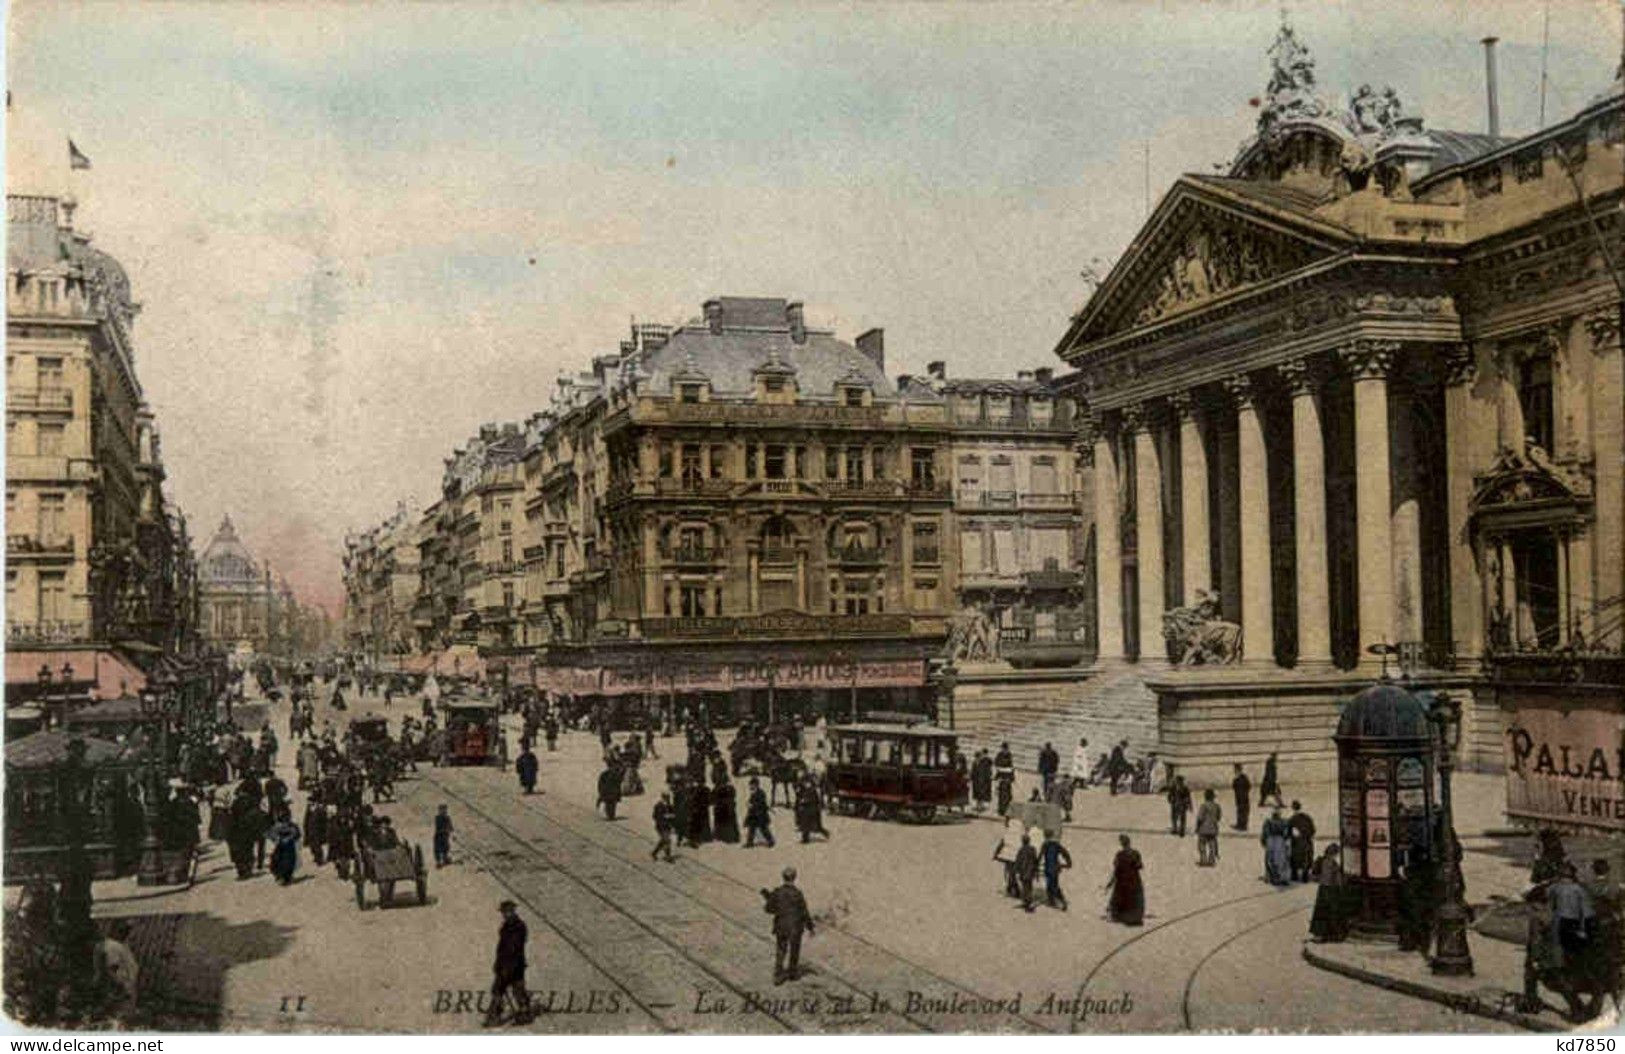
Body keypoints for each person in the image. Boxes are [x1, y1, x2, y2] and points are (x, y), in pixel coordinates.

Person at [762, 867, 815, 984]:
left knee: (781, 950)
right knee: (795, 950)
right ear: (794, 878)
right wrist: (810, 927)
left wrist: (769, 900)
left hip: (781, 926)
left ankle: (778, 975)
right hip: (795, 928)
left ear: (783, 877)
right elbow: (804, 912)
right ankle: (792, 973)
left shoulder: (778, 892)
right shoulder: (797, 894)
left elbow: (768, 909)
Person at [485, 900, 532, 1027]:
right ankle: (494, 1016)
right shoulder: (506, 926)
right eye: (504, 912)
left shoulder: (519, 927)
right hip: (504, 965)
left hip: (515, 966)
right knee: (497, 991)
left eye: (507, 912)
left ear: (512, 912)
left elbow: (515, 948)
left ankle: (524, 1014)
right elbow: (501, 948)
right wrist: (498, 963)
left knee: (518, 991)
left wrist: (508, 967)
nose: (505, 915)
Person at [94, 919, 140, 1023]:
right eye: (124, 929)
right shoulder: (112, 946)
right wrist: (122, 986)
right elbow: (112, 968)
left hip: (124, 988)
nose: (127, 933)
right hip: (120, 989)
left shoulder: (118, 945)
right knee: (119, 1019)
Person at [1308, 845, 1353, 942]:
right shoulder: (1333, 864)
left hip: (1323, 889)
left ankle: (1320, 934)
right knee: (1332, 912)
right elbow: (1337, 880)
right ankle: (1332, 934)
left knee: (1321, 912)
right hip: (1331, 890)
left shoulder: (1323, 861)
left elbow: (1314, 875)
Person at [1105, 833, 1144, 925]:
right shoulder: (1135, 853)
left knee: (1120, 898)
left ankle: (1120, 916)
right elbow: (1140, 865)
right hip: (1134, 880)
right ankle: (1133, 916)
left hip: (1123, 881)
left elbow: (1116, 869)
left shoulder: (1120, 855)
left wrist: (1111, 882)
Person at [268, 809, 301, 885]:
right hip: (280, 847)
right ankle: (280, 876)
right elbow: (271, 834)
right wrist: (277, 838)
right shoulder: (277, 826)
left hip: (289, 847)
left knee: (289, 862)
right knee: (277, 861)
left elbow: (296, 834)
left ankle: (286, 877)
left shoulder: (292, 825)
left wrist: (289, 838)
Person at [1040, 833, 1073, 911]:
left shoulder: (1045, 845)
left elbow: (1040, 855)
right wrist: (1068, 863)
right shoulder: (1056, 845)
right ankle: (1052, 900)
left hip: (1049, 868)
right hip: (1054, 868)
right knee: (1052, 884)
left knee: (1052, 885)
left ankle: (1060, 901)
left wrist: (1035, 864)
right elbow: (1065, 853)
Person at [993, 817, 1024, 898]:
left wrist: (996, 854)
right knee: (1012, 872)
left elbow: (1002, 843)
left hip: (1009, 855)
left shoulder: (1008, 833)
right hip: (1017, 855)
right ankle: (1011, 888)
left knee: (1010, 872)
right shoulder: (1021, 833)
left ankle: (1013, 889)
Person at [1260, 807, 1290, 886]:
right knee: (1282, 860)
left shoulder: (1268, 822)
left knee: (1270, 860)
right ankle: (1282, 878)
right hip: (1280, 842)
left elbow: (1265, 833)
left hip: (1271, 841)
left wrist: (1264, 842)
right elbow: (1287, 833)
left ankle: (1272, 877)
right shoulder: (1284, 822)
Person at [1287, 801, 1316, 882]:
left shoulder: (1292, 819)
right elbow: (1313, 830)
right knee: (1306, 858)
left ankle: (1294, 875)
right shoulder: (1307, 818)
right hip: (1307, 841)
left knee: (1295, 859)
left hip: (1296, 843)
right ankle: (1305, 876)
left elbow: (1288, 832)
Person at [794, 778, 828, 844]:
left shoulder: (813, 790)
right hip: (805, 809)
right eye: (806, 783)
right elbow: (798, 798)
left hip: (811, 809)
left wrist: (805, 801)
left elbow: (816, 801)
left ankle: (823, 833)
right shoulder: (802, 790)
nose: (807, 785)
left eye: (808, 784)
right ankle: (805, 838)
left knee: (815, 825)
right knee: (805, 824)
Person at [1194, 789, 1222, 866]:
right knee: (1212, 845)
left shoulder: (1203, 806)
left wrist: (1197, 827)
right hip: (1213, 828)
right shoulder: (1217, 806)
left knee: (1202, 845)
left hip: (1203, 828)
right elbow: (1219, 817)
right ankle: (1211, 860)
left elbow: (1200, 817)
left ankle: (1203, 859)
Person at [744, 776, 774, 848]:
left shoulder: (761, 793)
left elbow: (761, 803)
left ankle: (770, 841)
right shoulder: (754, 792)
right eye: (751, 785)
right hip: (754, 814)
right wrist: (750, 804)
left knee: (763, 828)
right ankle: (749, 842)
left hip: (760, 814)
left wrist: (753, 805)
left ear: (756, 785)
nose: (751, 786)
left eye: (753, 784)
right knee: (752, 828)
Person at [713, 778, 741, 844]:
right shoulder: (721, 789)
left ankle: (729, 838)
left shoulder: (727, 789)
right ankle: (726, 837)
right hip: (723, 810)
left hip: (726, 810)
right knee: (726, 824)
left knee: (728, 824)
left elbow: (714, 799)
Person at [303, 800, 329, 867]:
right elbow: (306, 819)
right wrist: (306, 829)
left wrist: (324, 831)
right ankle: (316, 857)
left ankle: (319, 859)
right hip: (310, 830)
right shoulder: (309, 809)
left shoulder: (320, 810)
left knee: (317, 846)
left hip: (317, 831)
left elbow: (324, 821)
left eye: (312, 803)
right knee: (312, 846)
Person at [652, 792, 677, 862]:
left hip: (667, 826)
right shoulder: (658, 806)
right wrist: (664, 816)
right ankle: (667, 856)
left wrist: (672, 817)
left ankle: (654, 853)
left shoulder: (670, 806)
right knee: (667, 840)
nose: (667, 800)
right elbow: (654, 816)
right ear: (663, 798)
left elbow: (674, 815)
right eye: (666, 798)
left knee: (664, 840)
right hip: (660, 826)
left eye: (668, 798)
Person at [994, 743, 1015, 817]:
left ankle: (1007, 810)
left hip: (1007, 778)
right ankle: (1001, 810)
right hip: (1002, 778)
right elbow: (996, 764)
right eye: (1003, 749)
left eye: (1005, 749)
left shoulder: (1009, 755)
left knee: (1007, 796)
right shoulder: (999, 755)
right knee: (1000, 796)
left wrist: (1011, 778)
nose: (1004, 750)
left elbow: (1011, 767)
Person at [1231, 763, 1252, 832]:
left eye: (1235, 770)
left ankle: (1243, 825)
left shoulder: (1241, 778)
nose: (1234, 771)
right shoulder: (1239, 778)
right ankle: (1240, 824)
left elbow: (1248, 786)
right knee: (1240, 811)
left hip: (1243, 798)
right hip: (1240, 798)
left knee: (1243, 811)